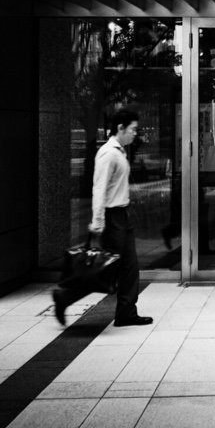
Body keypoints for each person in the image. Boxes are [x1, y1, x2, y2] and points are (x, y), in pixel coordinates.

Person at [53, 109, 153, 327]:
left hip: (121, 215)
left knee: (128, 267)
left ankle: (126, 312)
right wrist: (98, 222)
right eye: (133, 129)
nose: (135, 133)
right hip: (112, 216)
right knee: (107, 268)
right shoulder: (108, 154)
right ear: (120, 128)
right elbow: (99, 189)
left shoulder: (119, 151)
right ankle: (65, 297)